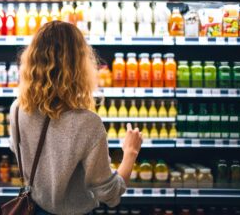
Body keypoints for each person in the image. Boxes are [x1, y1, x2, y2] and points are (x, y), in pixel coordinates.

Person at [9, 21, 143, 215]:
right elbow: (110, 194)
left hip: (32, 208)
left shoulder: (16, 109)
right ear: (79, 65)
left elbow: (18, 149)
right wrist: (130, 153)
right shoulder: (86, 123)